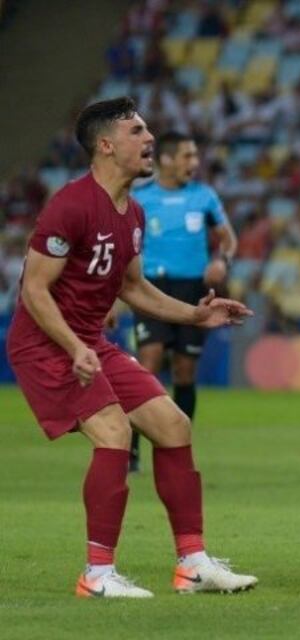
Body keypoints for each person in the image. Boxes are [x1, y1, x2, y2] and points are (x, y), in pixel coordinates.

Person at [6, 97, 256, 598]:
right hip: (46, 345)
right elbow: (33, 290)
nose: (149, 141)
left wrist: (196, 314)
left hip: (90, 341)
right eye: (137, 132)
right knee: (115, 433)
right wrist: (75, 346)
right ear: (106, 145)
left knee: (173, 425)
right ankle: (96, 575)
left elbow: (133, 287)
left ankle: (192, 563)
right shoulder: (70, 205)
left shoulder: (133, 212)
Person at [129, 131, 237, 473]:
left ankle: (177, 445)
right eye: (187, 156)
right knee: (148, 360)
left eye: (195, 156)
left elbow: (228, 239)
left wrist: (223, 261)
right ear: (166, 159)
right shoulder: (141, 198)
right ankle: (130, 448)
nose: (194, 163)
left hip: (194, 289)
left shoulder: (204, 196)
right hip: (152, 285)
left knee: (184, 370)